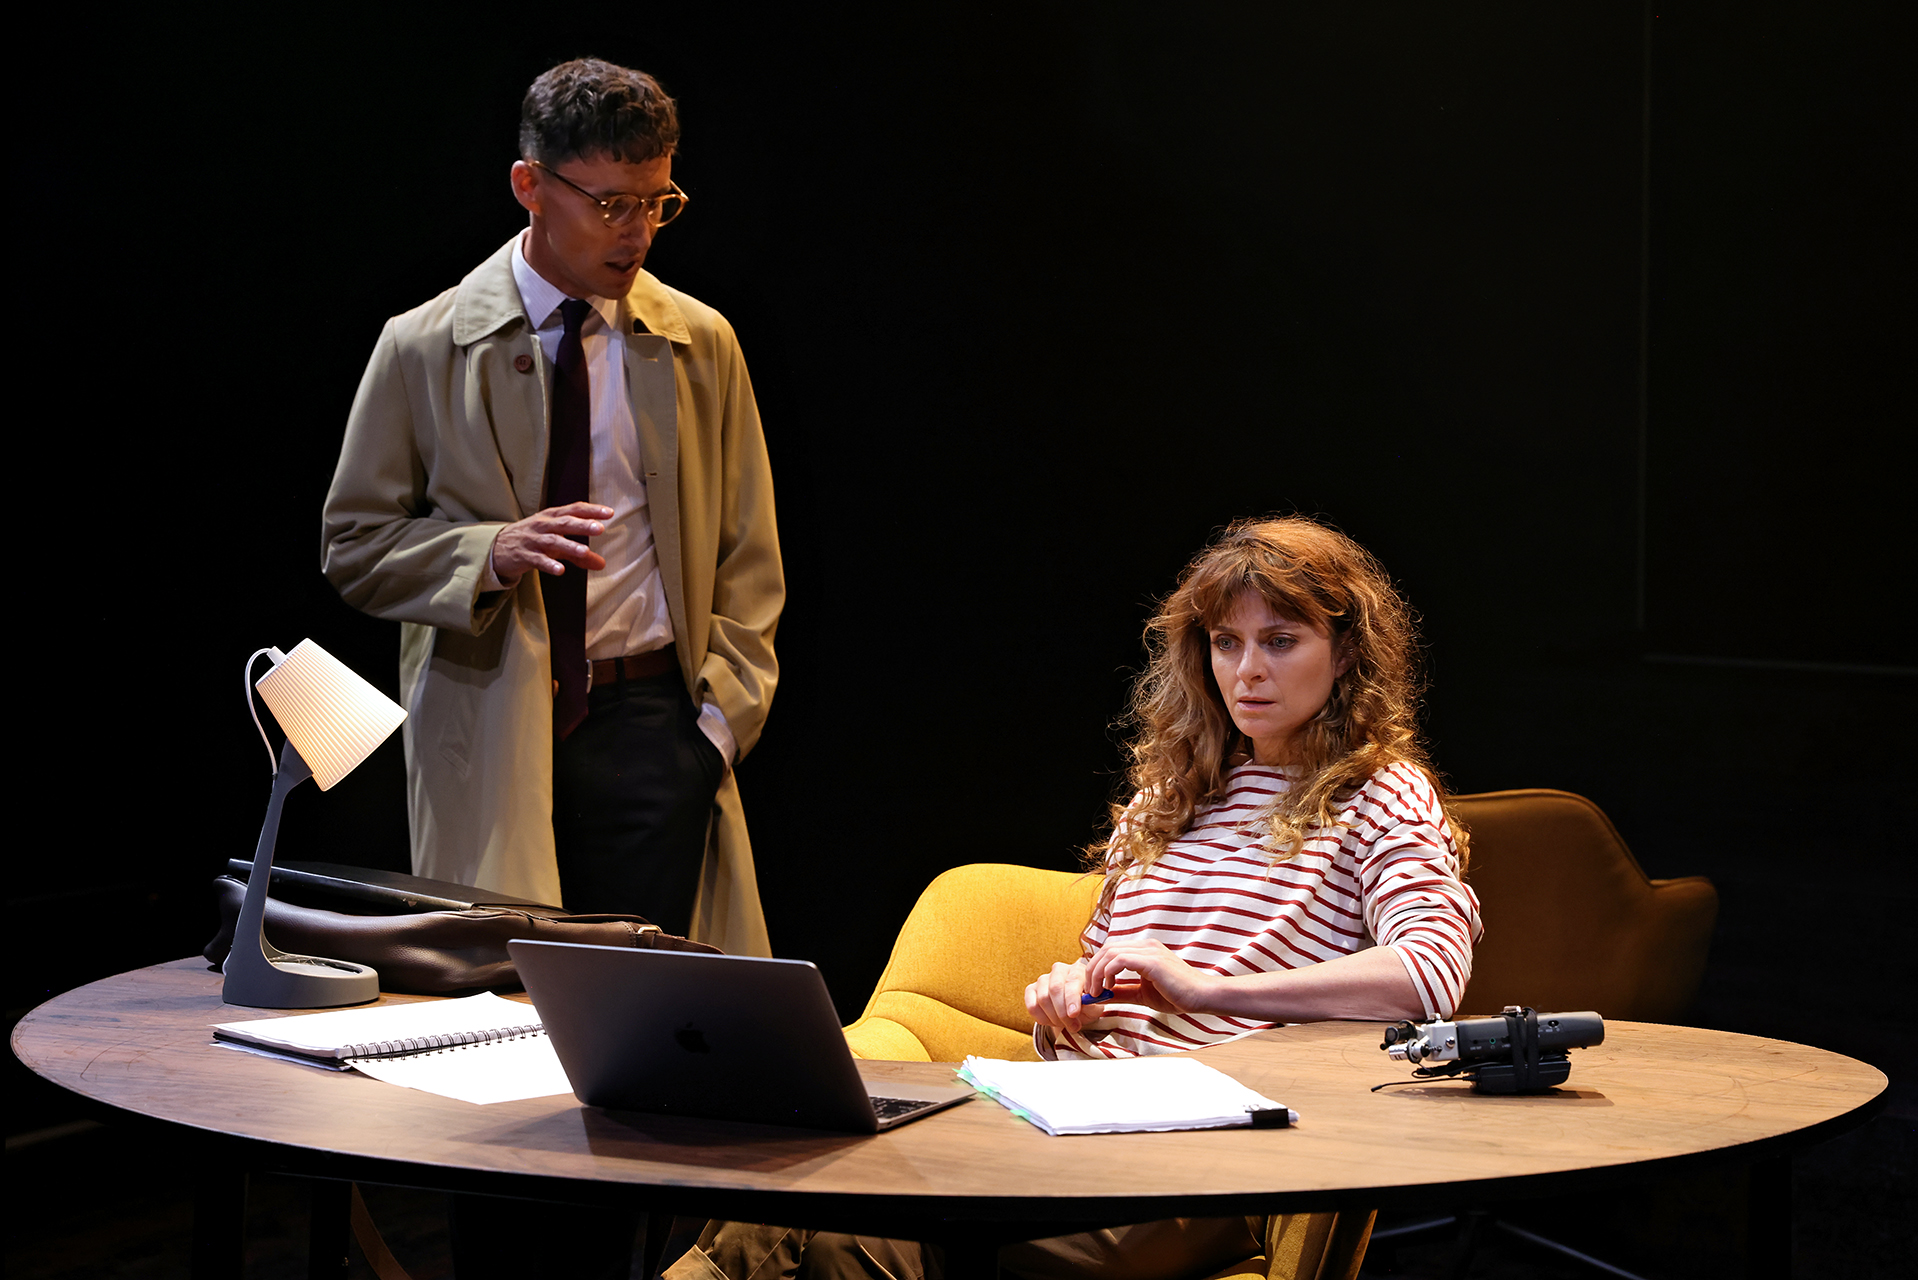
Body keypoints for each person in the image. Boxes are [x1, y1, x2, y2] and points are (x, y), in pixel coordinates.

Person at [669, 516, 1480, 1280]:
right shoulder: (1176, 790)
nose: (1246, 671)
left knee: (833, 1203)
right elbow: (1122, 969)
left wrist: (1213, 990)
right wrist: (1071, 990)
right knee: (822, 1203)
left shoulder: (1382, 794)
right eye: (1225, 643)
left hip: (1206, 1153)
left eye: (1280, 641)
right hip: (1067, 1110)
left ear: (1345, 655)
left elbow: (1430, 974)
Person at [322, 58, 781, 954]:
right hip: (492, 726)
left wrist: (717, 729)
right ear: (529, 186)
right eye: (610, 203)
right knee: (507, 1009)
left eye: (657, 202)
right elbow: (355, 545)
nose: (638, 231)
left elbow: (749, 553)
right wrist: (487, 554)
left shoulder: (698, 342)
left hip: (653, 727)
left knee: (650, 1011)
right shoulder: (423, 346)